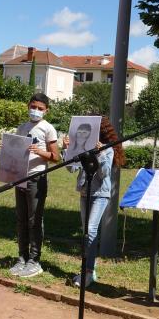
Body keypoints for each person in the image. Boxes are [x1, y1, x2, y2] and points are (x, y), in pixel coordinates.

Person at [64, 116, 125, 288]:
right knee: (86, 231)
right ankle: (91, 269)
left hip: (100, 194)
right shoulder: (82, 147)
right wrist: (67, 149)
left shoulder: (107, 149)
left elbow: (104, 174)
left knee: (90, 231)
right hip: (85, 191)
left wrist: (101, 153)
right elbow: (71, 168)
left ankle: (88, 272)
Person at [9, 93, 60, 278]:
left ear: (46, 111)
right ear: (27, 106)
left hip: (37, 178)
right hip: (20, 178)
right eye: (33, 107)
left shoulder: (48, 129)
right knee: (21, 219)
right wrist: (6, 148)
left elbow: (56, 158)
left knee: (34, 220)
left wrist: (40, 152)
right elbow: (15, 152)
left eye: (40, 108)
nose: (36, 111)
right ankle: (21, 258)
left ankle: (34, 260)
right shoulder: (22, 127)